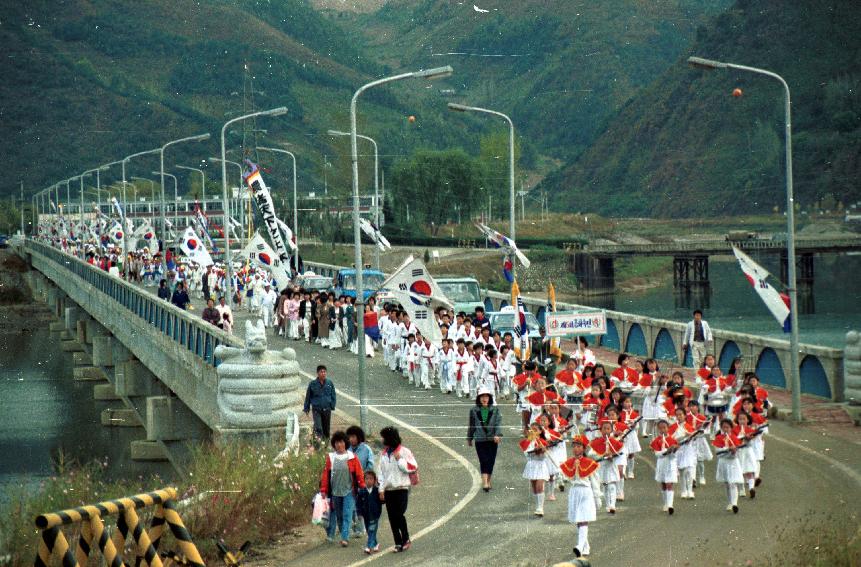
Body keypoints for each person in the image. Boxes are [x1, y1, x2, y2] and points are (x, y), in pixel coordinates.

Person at [319, 431, 366, 546]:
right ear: (334, 445)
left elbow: (359, 474)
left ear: (345, 443)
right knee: (339, 516)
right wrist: (324, 490)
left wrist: (363, 488)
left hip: (349, 492)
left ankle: (345, 538)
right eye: (336, 443)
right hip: (335, 493)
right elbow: (326, 475)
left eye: (341, 442)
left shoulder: (352, 458)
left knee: (347, 514)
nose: (339, 445)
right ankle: (343, 532)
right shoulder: (331, 458)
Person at [560, 435, 601, 559]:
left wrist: (597, 496)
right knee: (579, 520)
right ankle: (585, 546)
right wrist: (562, 477)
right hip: (574, 492)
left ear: (583, 448)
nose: (576, 449)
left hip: (586, 492)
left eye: (579, 446)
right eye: (574, 446)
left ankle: (579, 545)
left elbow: (595, 481)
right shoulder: (570, 462)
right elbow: (567, 477)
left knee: (583, 519)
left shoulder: (589, 463)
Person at [378, 426, 417, 553]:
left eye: (384, 438)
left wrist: (400, 459)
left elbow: (412, 467)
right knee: (391, 517)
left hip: (401, 488)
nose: (383, 440)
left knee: (399, 514)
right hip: (389, 490)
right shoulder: (384, 454)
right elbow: (381, 474)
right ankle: (398, 543)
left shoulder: (405, 451)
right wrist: (381, 490)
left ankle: (406, 539)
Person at [467, 386, 502, 492]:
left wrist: (498, 435)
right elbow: (472, 425)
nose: (484, 398)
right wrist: (469, 437)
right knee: (483, 460)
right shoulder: (474, 410)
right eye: (482, 396)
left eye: (486, 396)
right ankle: (485, 482)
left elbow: (498, 424)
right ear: (478, 398)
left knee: (491, 461)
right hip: (480, 439)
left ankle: (488, 480)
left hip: (492, 439)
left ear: (489, 398)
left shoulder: (495, 410)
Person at [713, 418, 744, 513]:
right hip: (723, 462)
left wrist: (734, 451)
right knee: (727, 483)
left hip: (733, 463)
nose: (725, 429)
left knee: (733, 483)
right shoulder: (718, 438)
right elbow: (718, 452)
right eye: (723, 427)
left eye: (727, 427)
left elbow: (739, 452)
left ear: (731, 428)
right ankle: (730, 502)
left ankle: (734, 503)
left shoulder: (735, 438)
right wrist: (727, 449)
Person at [650, 418, 679, 515]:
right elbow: (657, 454)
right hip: (661, 463)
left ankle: (670, 505)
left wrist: (673, 450)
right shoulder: (656, 441)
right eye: (660, 428)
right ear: (658, 429)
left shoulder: (673, 440)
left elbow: (675, 455)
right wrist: (666, 451)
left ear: (668, 428)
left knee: (669, 484)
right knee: (663, 484)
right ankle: (665, 503)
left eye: (664, 428)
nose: (663, 430)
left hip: (670, 464)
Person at [303, 365, 336, 439]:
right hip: (316, 410)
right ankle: (318, 444)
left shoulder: (329, 383)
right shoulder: (312, 384)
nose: (323, 373)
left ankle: (325, 445)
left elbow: (333, 395)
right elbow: (308, 397)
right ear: (317, 373)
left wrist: (332, 405)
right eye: (321, 372)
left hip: (327, 409)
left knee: (326, 429)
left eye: (324, 372)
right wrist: (306, 408)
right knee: (319, 427)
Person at [357, 471, 382, 554]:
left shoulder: (377, 491)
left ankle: (369, 546)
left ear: (374, 480)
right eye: (367, 479)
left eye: (371, 479)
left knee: (372, 530)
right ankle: (375, 544)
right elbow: (358, 503)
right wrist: (359, 513)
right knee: (369, 530)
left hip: (375, 515)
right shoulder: (362, 492)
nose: (369, 481)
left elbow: (381, 502)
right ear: (364, 480)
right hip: (366, 515)